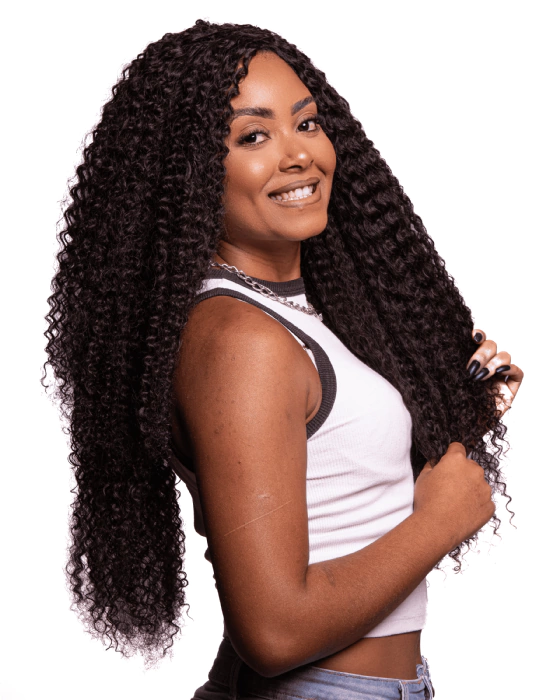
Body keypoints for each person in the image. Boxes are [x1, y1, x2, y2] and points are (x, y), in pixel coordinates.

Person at [42, 19, 523, 700]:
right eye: (253, 136)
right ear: (188, 172)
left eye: (307, 123)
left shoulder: (296, 312)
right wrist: (439, 522)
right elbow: (274, 633)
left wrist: (464, 415)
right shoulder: (242, 340)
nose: (298, 155)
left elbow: (338, 496)